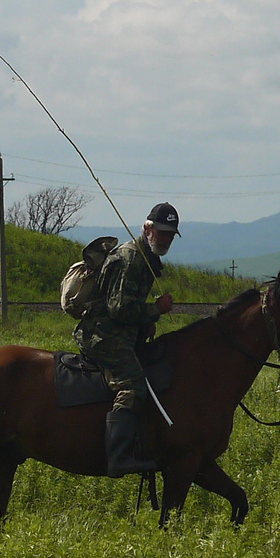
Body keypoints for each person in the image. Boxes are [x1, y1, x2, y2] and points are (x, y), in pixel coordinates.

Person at [74, 202, 179, 477]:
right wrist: (156, 310)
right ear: (147, 228)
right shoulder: (132, 260)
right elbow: (118, 309)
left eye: (170, 234)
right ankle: (119, 458)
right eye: (162, 232)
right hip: (103, 336)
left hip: (118, 331)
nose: (166, 238)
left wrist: (147, 321)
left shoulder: (147, 258)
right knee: (132, 386)